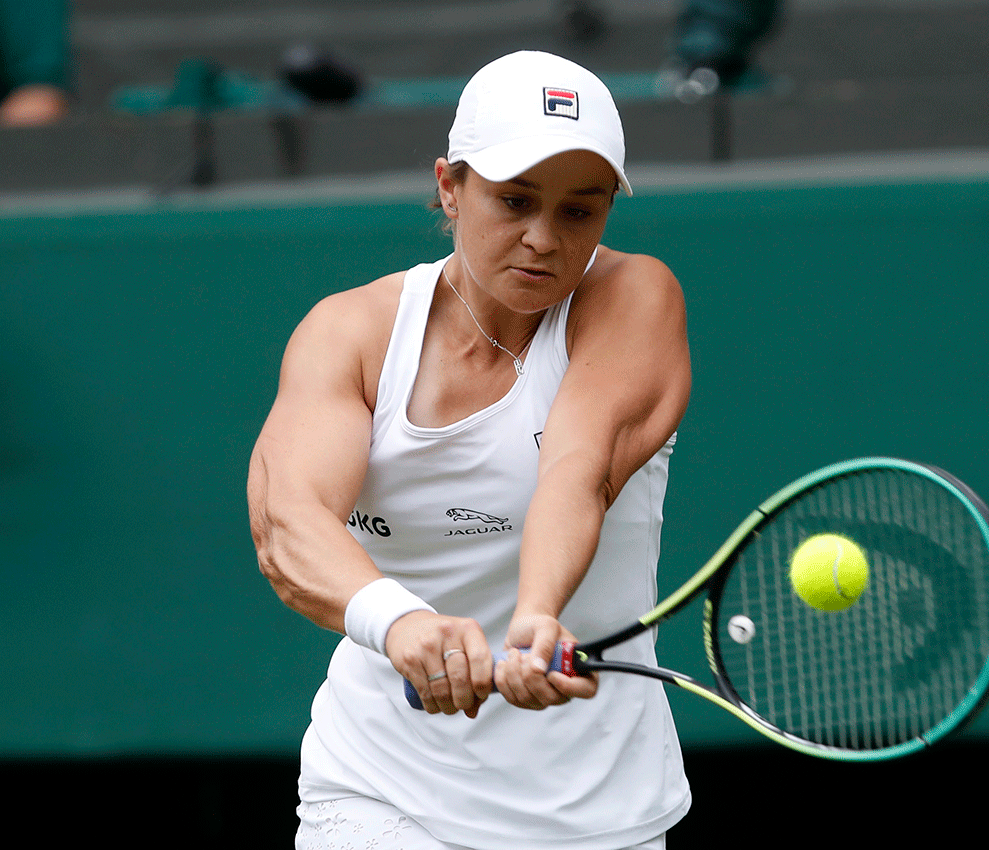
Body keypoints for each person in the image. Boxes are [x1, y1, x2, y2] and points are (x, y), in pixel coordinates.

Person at [248, 51, 692, 850]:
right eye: (514, 200)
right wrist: (399, 623)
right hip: (382, 793)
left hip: (601, 813)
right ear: (450, 187)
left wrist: (535, 618)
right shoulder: (351, 334)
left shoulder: (635, 297)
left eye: (579, 212)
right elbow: (288, 525)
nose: (543, 239)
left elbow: (577, 469)